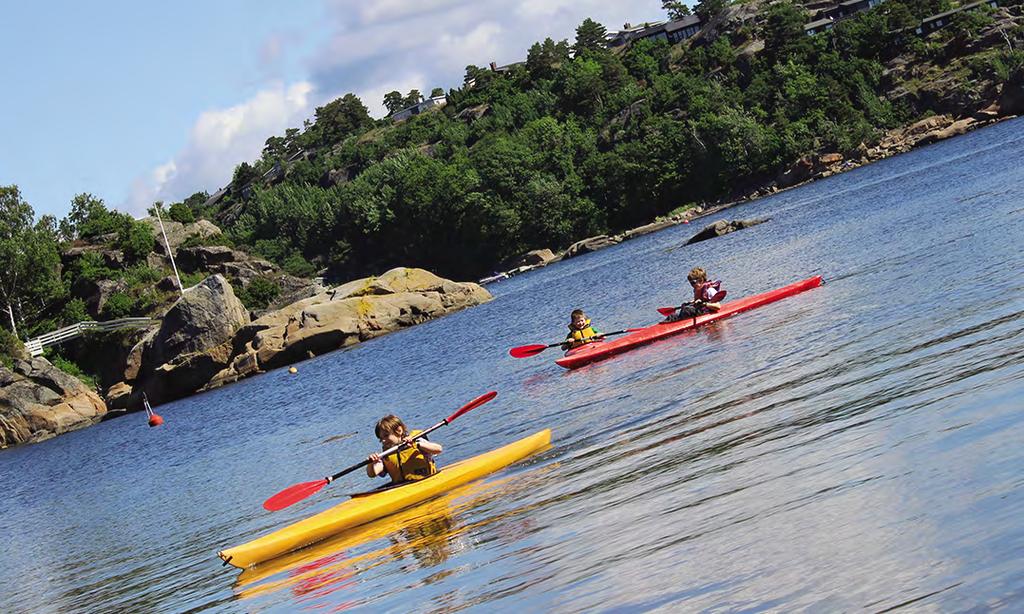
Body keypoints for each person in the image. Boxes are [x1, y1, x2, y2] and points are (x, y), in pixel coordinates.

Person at [366, 415, 442, 483]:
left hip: (426, 481)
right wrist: (371, 463)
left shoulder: (416, 441)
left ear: (399, 430)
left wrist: (417, 445)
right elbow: (372, 474)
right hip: (402, 487)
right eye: (381, 438)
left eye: (386, 435)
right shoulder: (386, 454)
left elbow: (438, 449)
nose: (383, 440)